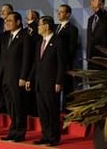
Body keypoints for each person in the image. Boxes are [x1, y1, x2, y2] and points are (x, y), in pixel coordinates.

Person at [26, 16, 65, 147]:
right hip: (39, 83)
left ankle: (54, 137)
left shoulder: (58, 41)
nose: (38, 27)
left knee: (52, 111)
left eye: (39, 25)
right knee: (42, 111)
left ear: (47, 26)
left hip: (51, 83)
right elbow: (35, 63)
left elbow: (61, 64)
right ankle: (45, 135)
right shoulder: (39, 43)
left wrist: (59, 81)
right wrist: (29, 79)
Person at [0, 12, 32, 142]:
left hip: (17, 78)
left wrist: (23, 76)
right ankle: (12, 131)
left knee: (19, 106)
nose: (7, 23)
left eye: (10, 21)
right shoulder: (6, 36)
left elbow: (26, 59)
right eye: (6, 21)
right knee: (10, 107)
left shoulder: (25, 36)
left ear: (18, 22)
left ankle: (20, 132)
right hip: (6, 78)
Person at [55, 4, 78, 105]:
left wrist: (65, 63)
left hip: (65, 64)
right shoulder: (55, 27)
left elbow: (71, 49)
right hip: (54, 64)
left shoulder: (72, 29)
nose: (58, 13)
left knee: (67, 89)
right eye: (58, 11)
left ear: (68, 14)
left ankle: (68, 113)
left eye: (62, 12)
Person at [87, 0, 107, 66]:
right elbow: (89, 39)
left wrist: (97, 9)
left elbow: (104, 22)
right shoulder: (90, 19)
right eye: (91, 4)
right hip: (91, 56)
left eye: (94, 4)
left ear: (102, 5)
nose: (92, 6)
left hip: (103, 56)